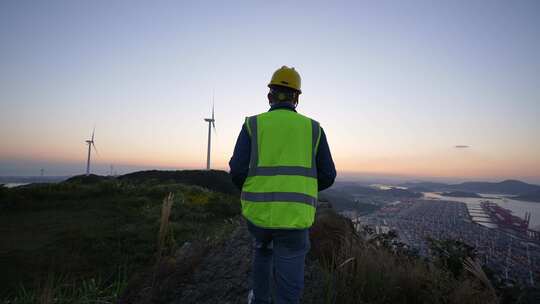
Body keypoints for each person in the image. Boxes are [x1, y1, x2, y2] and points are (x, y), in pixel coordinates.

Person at [229, 66, 336, 303]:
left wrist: (253, 190)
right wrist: (301, 189)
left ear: (269, 95)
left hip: (258, 215)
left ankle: (259, 299)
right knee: (290, 276)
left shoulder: (252, 125)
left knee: (262, 251)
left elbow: (237, 170)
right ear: (296, 98)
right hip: (295, 218)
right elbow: (328, 175)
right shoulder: (314, 129)